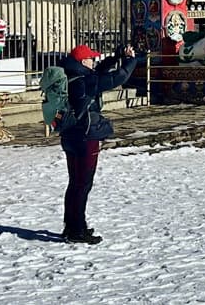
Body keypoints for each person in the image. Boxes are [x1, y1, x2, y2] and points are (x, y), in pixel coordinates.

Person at [60, 42, 144, 244]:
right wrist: (131, 61)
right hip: (86, 136)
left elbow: (99, 72)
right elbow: (119, 77)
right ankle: (77, 230)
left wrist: (115, 57)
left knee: (74, 183)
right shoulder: (86, 80)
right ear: (83, 61)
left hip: (69, 135)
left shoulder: (70, 76)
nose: (94, 61)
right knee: (83, 184)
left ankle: (71, 226)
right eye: (91, 58)